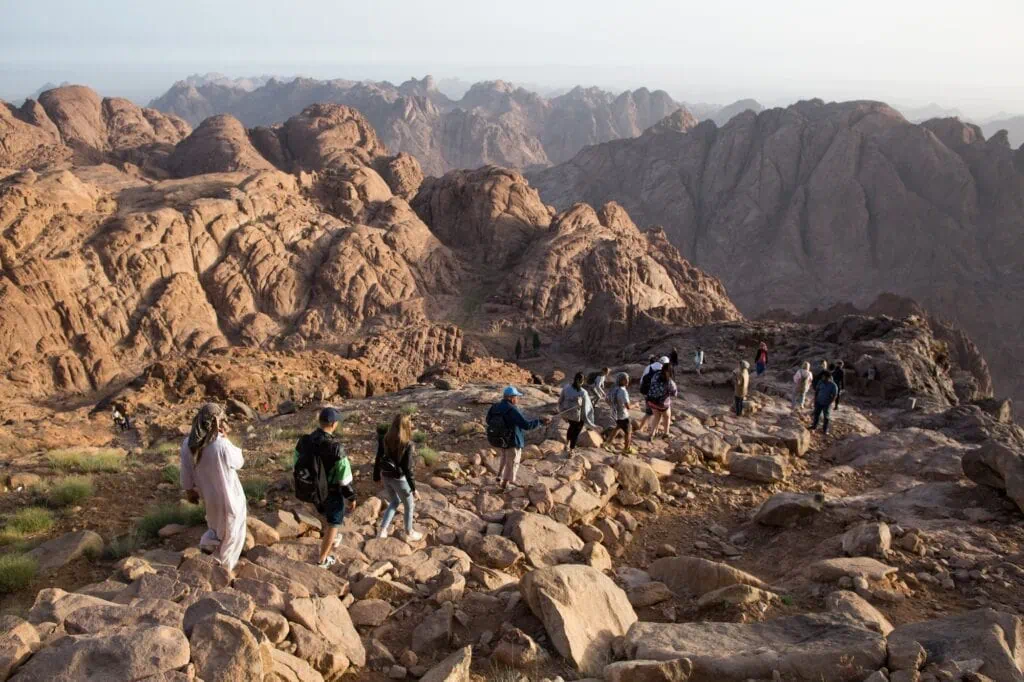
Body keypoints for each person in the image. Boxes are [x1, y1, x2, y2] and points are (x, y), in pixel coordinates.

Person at [179, 403, 246, 573]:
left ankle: (208, 554)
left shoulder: (187, 444)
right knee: (232, 533)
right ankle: (222, 569)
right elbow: (239, 462)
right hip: (230, 497)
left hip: (208, 497)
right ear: (217, 421)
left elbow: (186, 472)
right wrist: (227, 439)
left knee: (215, 529)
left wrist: (189, 491)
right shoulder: (221, 444)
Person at [294, 407, 356, 569]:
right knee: (334, 522)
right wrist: (351, 497)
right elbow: (344, 477)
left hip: (312, 489)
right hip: (332, 491)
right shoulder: (336, 447)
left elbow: (296, 462)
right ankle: (322, 560)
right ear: (334, 424)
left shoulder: (304, 441)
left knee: (324, 514)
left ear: (320, 421)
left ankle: (331, 539)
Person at [487, 387, 549, 490]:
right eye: (516, 397)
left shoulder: (495, 407)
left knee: (504, 458)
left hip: (500, 439)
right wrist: (540, 422)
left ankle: (499, 477)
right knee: (512, 462)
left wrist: (503, 429)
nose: (517, 399)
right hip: (512, 440)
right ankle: (505, 485)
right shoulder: (512, 409)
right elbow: (526, 425)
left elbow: (488, 420)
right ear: (511, 398)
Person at [374, 413, 423, 541]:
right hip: (399, 479)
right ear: (406, 426)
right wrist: (413, 489)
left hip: (385, 476)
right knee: (409, 505)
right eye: (410, 423)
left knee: (394, 502)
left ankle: (383, 530)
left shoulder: (384, 438)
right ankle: (409, 532)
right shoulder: (407, 444)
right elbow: (407, 469)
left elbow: (378, 458)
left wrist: (376, 477)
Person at [559, 373, 590, 453]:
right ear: (582, 381)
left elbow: (560, 401)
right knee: (576, 433)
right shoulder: (583, 392)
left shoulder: (566, 388)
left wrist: (562, 412)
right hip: (577, 416)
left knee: (571, 427)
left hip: (567, 413)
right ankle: (571, 450)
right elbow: (585, 407)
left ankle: (567, 443)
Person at [646, 364, 679, 440]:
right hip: (662, 404)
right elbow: (674, 393)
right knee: (667, 417)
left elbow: (651, 383)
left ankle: (651, 434)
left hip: (651, 400)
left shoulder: (656, 375)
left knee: (656, 417)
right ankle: (666, 434)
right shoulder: (669, 381)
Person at [638, 356, 669, 433]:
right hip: (655, 396)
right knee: (656, 414)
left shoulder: (649, 366)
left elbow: (642, 379)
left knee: (649, 412)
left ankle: (642, 428)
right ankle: (652, 431)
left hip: (645, 392)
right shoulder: (662, 369)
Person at [605, 373, 634, 454]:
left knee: (618, 427)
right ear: (621, 380)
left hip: (615, 414)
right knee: (628, 432)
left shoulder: (614, 388)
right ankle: (626, 449)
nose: (628, 380)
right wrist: (635, 405)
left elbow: (606, 399)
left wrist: (613, 406)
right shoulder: (623, 391)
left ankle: (607, 443)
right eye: (626, 379)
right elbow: (628, 406)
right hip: (623, 415)